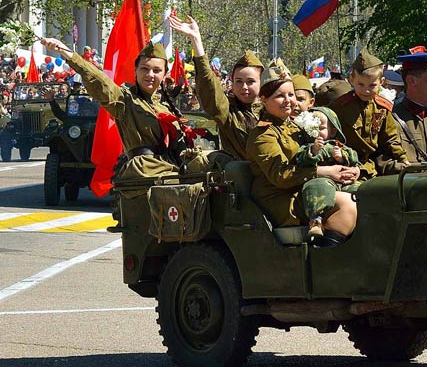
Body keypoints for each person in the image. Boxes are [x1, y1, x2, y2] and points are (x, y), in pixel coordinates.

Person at [41, 25, 217, 190]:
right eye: (144, 69)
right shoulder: (125, 100)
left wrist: (196, 40)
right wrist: (66, 52)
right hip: (146, 176)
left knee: (220, 165)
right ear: (136, 71)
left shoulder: (167, 105)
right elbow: (98, 80)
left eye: (156, 70)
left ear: (164, 74)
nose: (150, 75)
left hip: (172, 171)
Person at [246, 59, 359, 246]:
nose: (288, 101)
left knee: (367, 195)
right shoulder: (263, 135)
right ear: (264, 100)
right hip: (279, 199)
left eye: (291, 94)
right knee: (345, 204)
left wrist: (350, 168)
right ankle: (327, 262)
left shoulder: (297, 126)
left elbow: (326, 149)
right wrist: (324, 172)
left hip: (309, 188)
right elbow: (281, 176)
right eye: (279, 96)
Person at [181, 18, 263, 160]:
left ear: (261, 82)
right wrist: (196, 40)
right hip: (240, 177)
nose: (244, 87)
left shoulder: (271, 109)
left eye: (251, 82)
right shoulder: (228, 111)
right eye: (238, 81)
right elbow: (209, 85)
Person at [329, 51, 408, 178]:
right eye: (360, 84)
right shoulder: (340, 107)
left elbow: (390, 138)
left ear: (382, 82)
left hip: (371, 165)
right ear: (351, 80)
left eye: (372, 85)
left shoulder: (382, 108)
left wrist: (402, 158)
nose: (366, 90)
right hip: (345, 163)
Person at [292, 106, 361, 238]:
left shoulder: (338, 145)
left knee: (360, 190)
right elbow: (301, 161)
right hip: (322, 180)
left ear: (333, 130)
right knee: (316, 187)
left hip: (343, 182)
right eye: (314, 128)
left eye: (322, 128)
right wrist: (314, 151)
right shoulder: (308, 146)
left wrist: (342, 157)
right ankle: (316, 220)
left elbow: (354, 158)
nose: (317, 132)